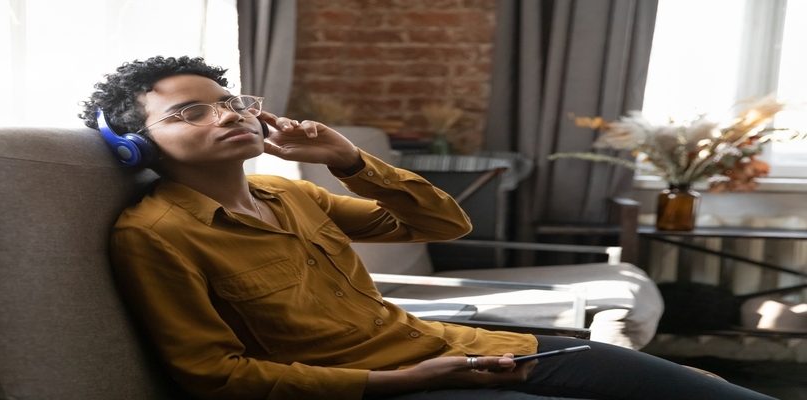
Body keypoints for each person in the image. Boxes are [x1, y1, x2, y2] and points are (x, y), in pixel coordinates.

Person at [80, 56, 774, 400]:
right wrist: (408, 380)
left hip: (464, 348)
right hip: (395, 388)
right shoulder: (156, 234)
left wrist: (347, 159)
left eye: (228, 102)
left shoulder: (287, 197)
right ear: (133, 147)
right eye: (187, 114)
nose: (226, 115)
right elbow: (216, 377)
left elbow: (445, 219)